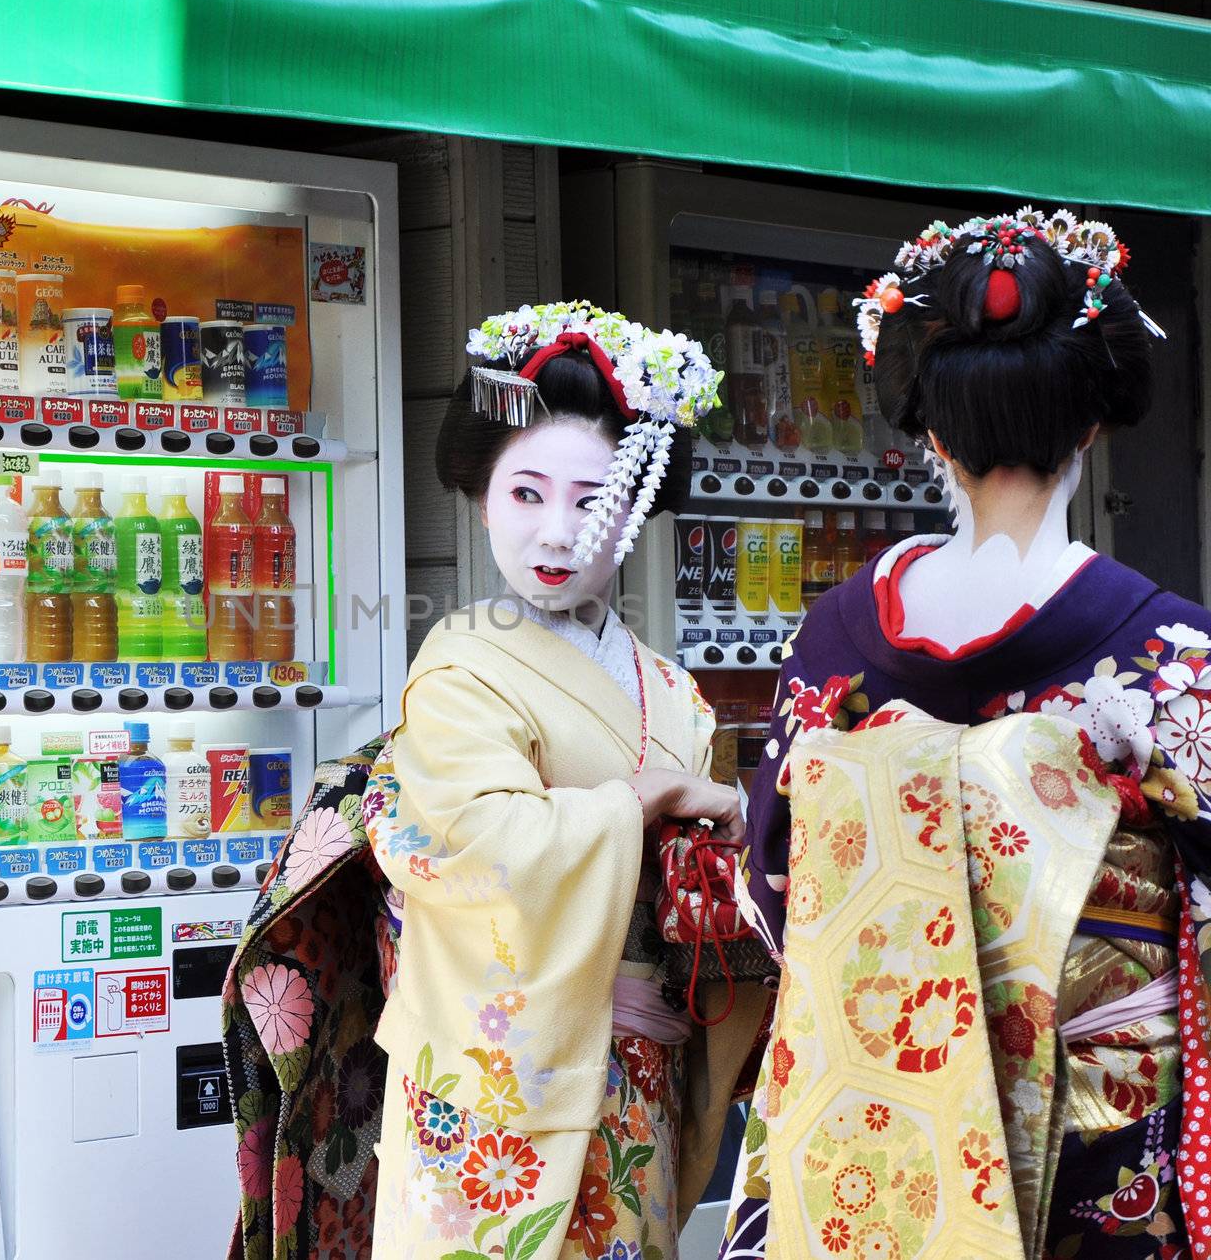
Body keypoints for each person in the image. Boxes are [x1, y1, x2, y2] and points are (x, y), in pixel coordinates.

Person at [722, 209, 1211, 1257]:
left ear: (930, 431)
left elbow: (770, 890)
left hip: (880, 1109)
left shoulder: (832, 644)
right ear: (1090, 425)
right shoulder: (1167, 648)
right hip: (1100, 1125)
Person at [368, 302, 769, 1258]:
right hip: (499, 1071)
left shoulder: (670, 688)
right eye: (525, 494)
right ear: (479, 497)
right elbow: (480, 845)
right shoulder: (462, 662)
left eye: (592, 500)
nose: (557, 532)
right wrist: (648, 799)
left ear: (633, 510)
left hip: (644, 1067)